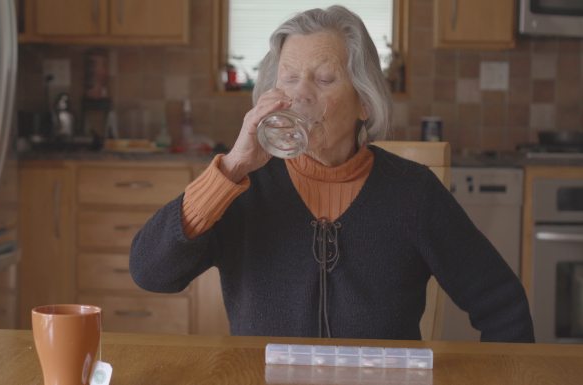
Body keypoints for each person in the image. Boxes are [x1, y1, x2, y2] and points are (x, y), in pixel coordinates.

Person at [129, 5, 534, 342]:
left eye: (324, 79)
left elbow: (503, 306)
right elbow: (151, 273)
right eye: (288, 78)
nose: (300, 94)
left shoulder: (412, 192)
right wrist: (231, 167)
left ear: (365, 103)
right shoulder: (244, 188)